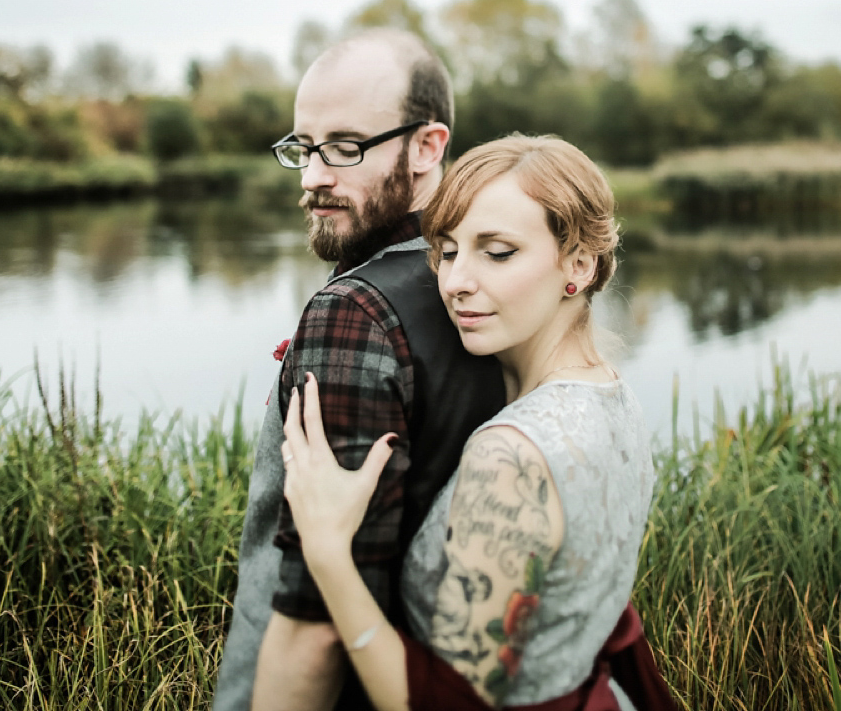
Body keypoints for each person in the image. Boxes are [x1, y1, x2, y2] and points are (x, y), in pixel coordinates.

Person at [274, 136, 674, 709]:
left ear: (578, 265)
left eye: (498, 252)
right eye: (448, 250)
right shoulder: (614, 396)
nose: (456, 281)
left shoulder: (512, 456)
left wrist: (328, 553)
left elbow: (450, 703)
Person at [212, 29, 506, 711]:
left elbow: (314, 630)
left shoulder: (354, 313)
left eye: (346, 148)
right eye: (303, 148)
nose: (314, 176)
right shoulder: (503, 285)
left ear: (428, 146)